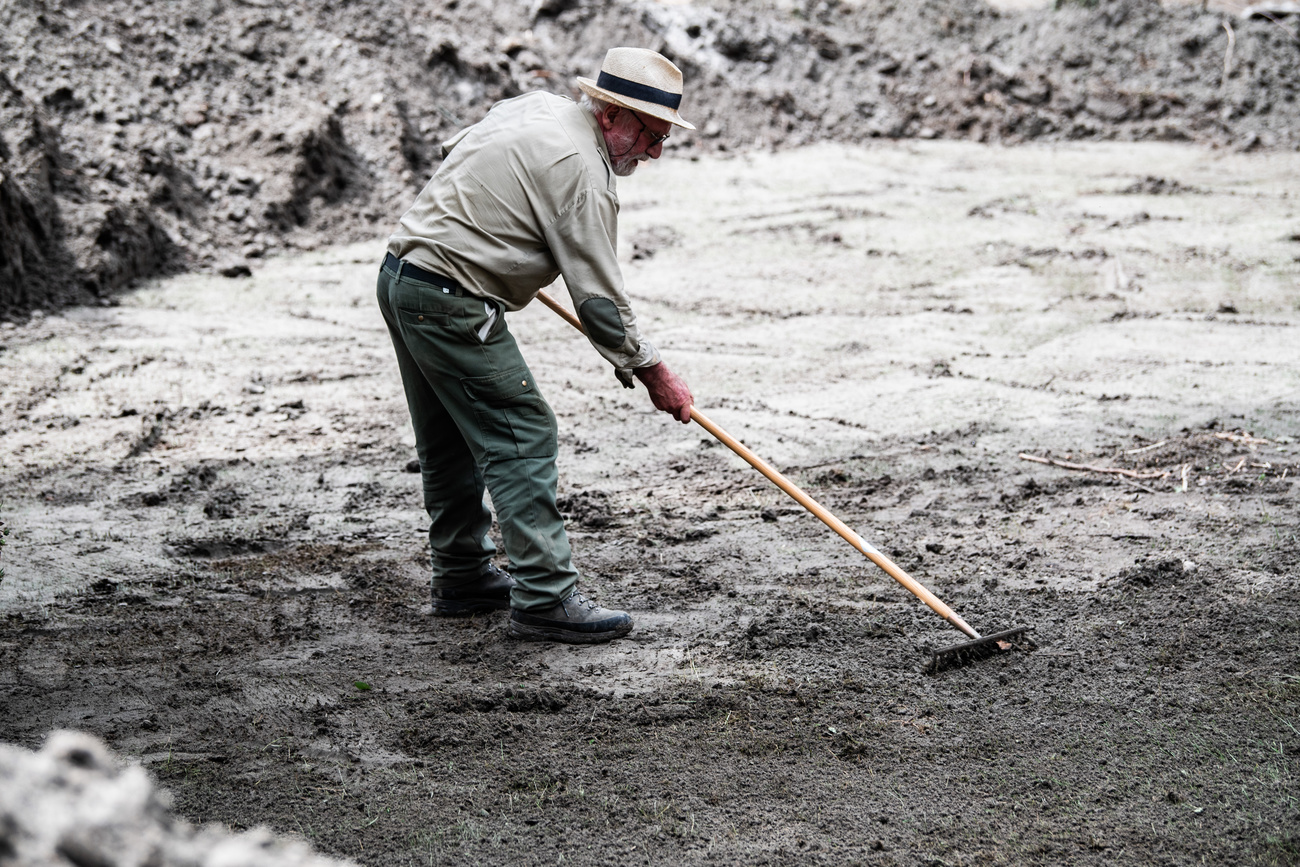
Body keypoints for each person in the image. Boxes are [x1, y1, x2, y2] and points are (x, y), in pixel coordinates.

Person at [376, 47, 695, 644]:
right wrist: (654, 373)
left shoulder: (534, 108)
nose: (653, 153)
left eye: (662, 141)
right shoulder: (582, 169)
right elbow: (599, 302)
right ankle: (546, 597)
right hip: (451, 300)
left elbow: (456, 156)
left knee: (449, 435)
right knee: (522, 431)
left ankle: (463, 575)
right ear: (610, 117)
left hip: (402, 276)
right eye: (651, 136)